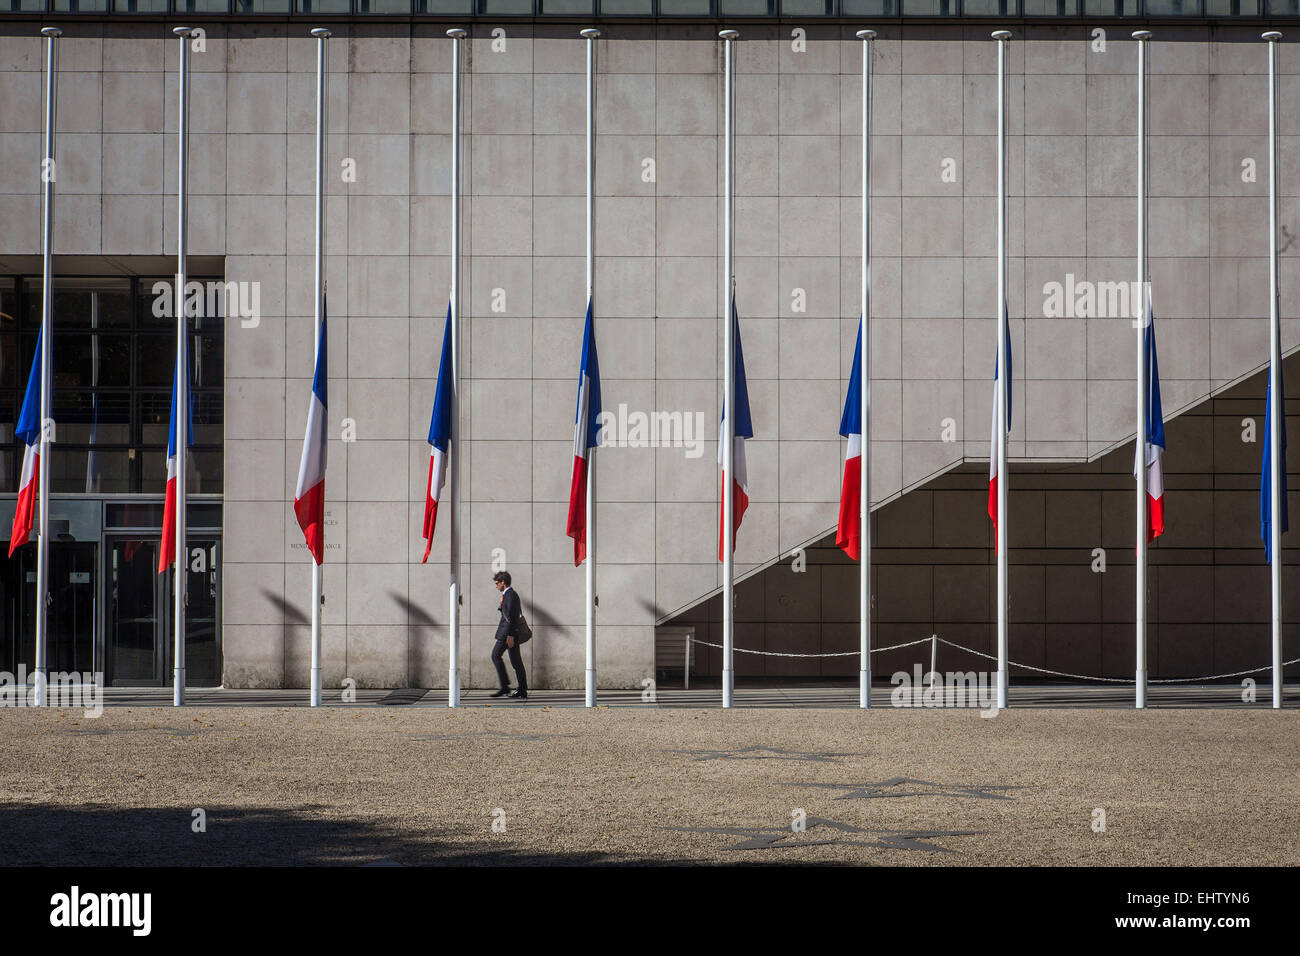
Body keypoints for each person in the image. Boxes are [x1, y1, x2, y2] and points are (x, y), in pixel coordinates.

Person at [489, 570, 527, 700]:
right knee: (516, 662)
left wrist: (510, 635)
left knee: (495, 656)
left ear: (503, 582)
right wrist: (501, 605)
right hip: (509, 633)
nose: (496, 586)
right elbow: (507, 613)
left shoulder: (510, 595)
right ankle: (521, 689)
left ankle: (506, 686)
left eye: (497, 583)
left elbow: (511, 617)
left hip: (507, 634)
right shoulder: (509, 595)